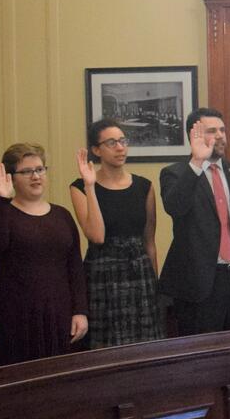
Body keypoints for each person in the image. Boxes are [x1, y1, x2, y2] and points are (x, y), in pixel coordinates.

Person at [158, 108, 230, 335]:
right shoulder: (175, 173)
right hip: (198, 285)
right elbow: (175, 207)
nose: (220, 135)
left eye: (222, 130)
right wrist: (197, 162)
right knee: (200, 362)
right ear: (194, 136)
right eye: (212, 131)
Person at [0, 144, 89, 365]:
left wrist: (80, 311)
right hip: (15, 317)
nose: (35, 176)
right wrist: (2, 199)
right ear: (10, 177)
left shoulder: (62, 215)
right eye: (26, 171)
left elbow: (75, 266)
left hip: (58, 314)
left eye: (40, 170)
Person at [69, 117, 162, 346]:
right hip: (103, 273)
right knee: (106, 345)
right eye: (111, 143)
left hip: (139, 272)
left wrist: (154, 284)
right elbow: (96, 235)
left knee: (145, 345)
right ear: (96, 150)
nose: (120, 148)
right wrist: (90, 186)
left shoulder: (144, 186)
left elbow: (149, 241)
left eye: (123, 141)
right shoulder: (80, 187)